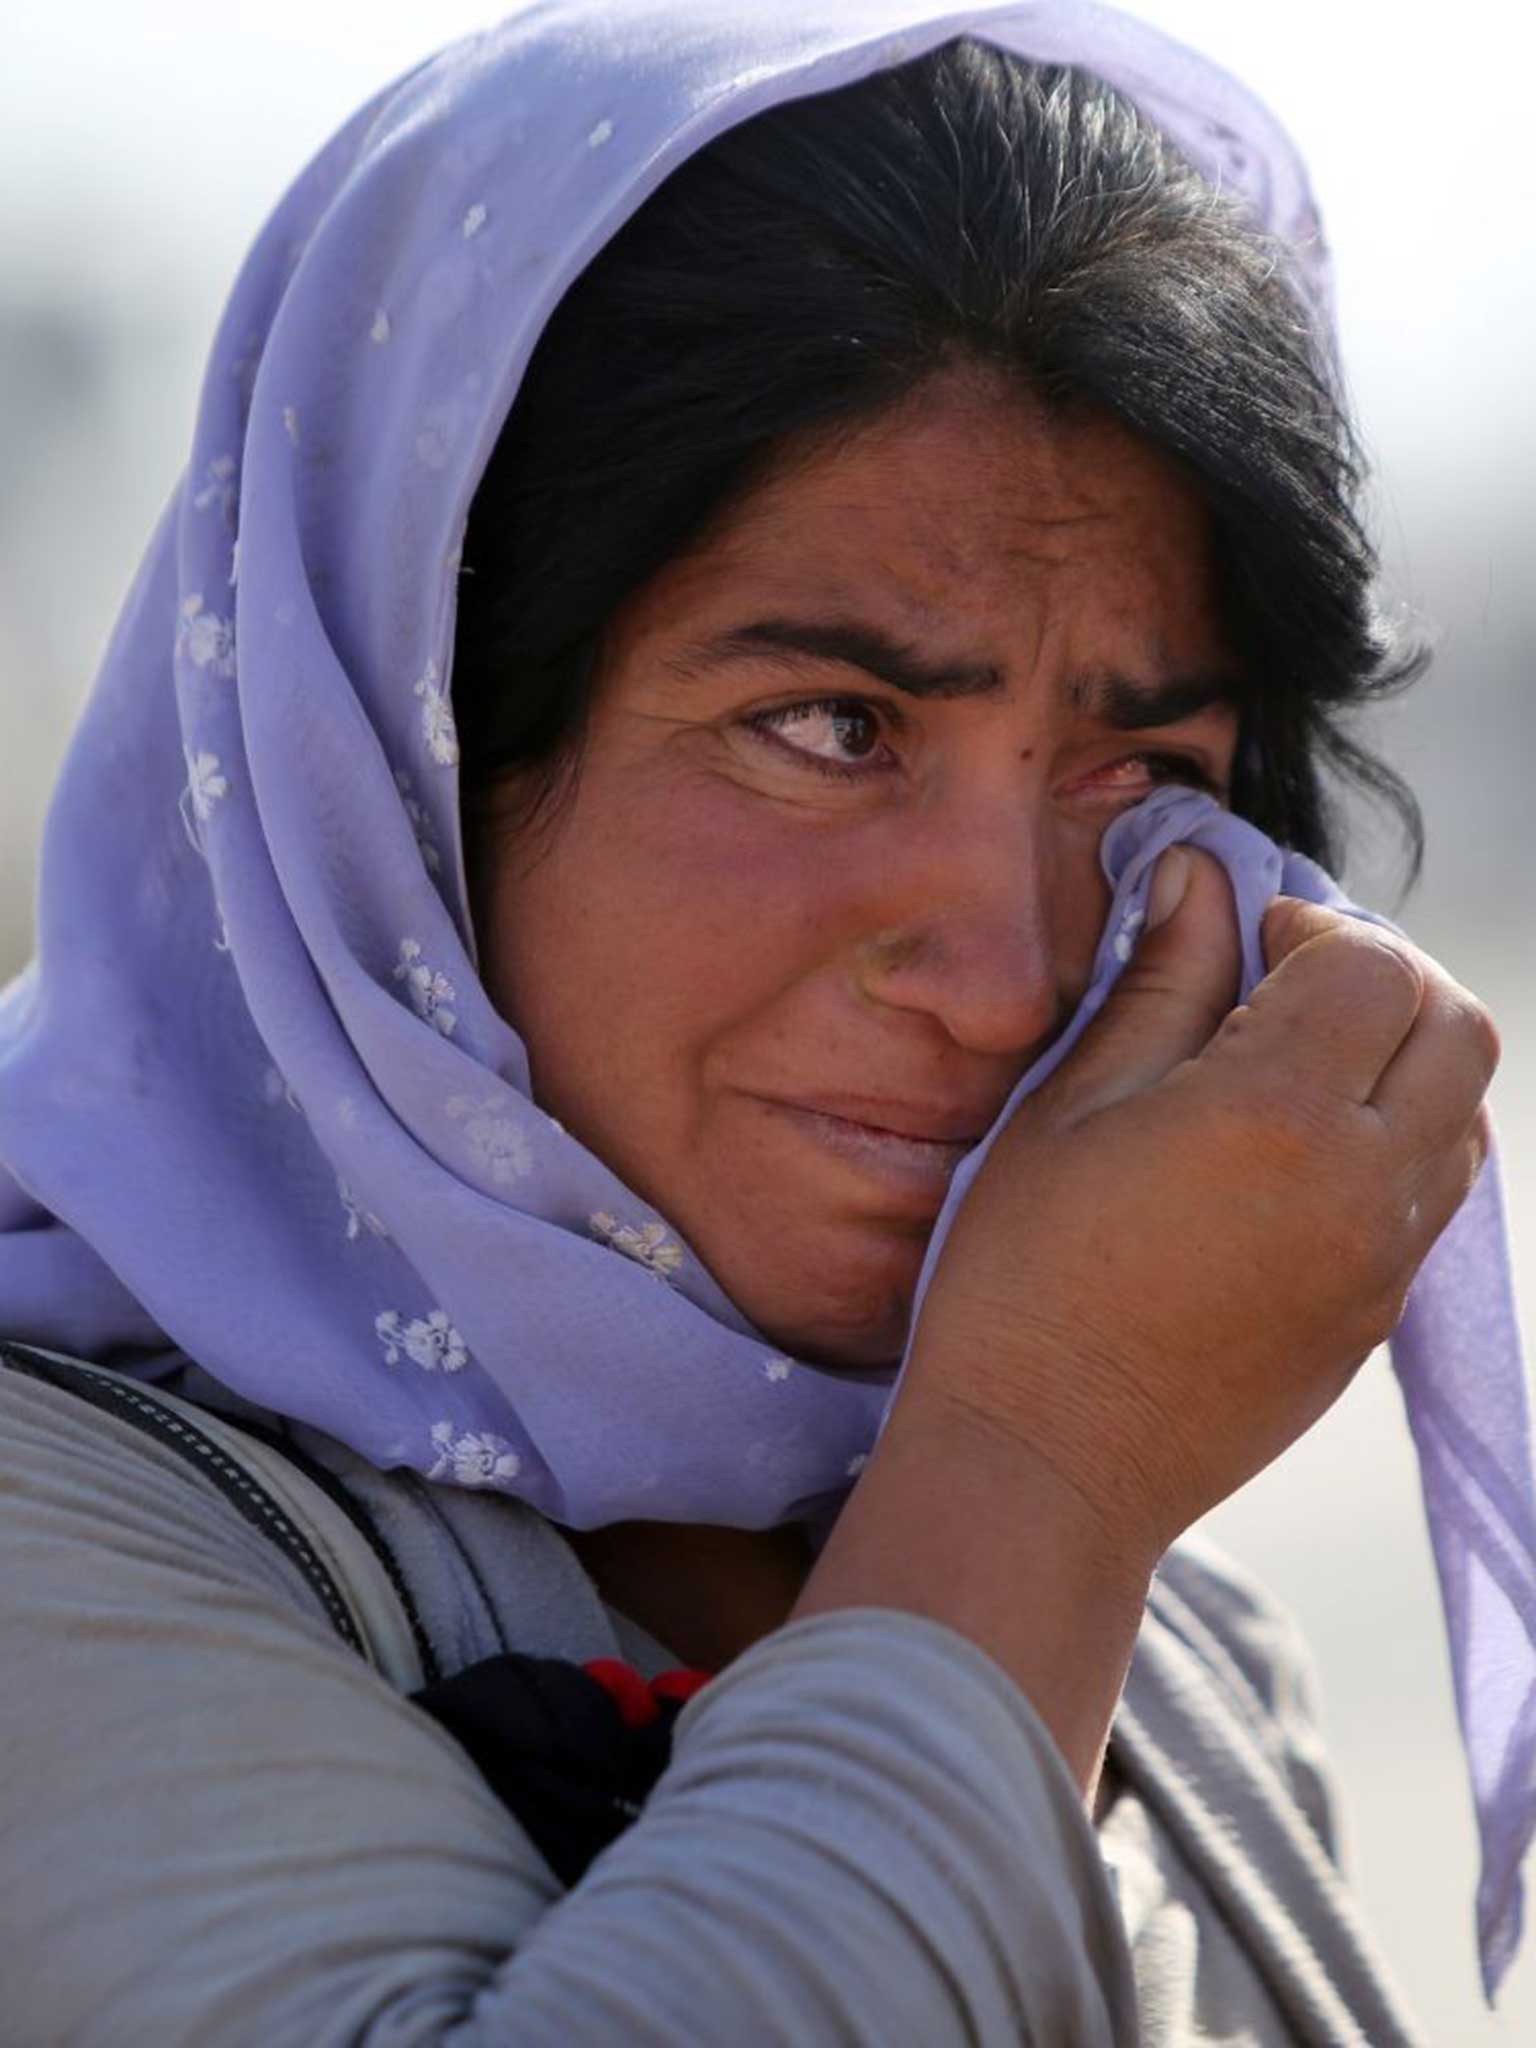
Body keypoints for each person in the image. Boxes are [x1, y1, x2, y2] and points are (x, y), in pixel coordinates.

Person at [0, 3, 1527, 2042]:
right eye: (832, 728)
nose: (1006, 975)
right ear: (398, 763)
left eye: (1133, 764)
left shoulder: (1174, 1643)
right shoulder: (63, 1523)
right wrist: (1040, 1465)